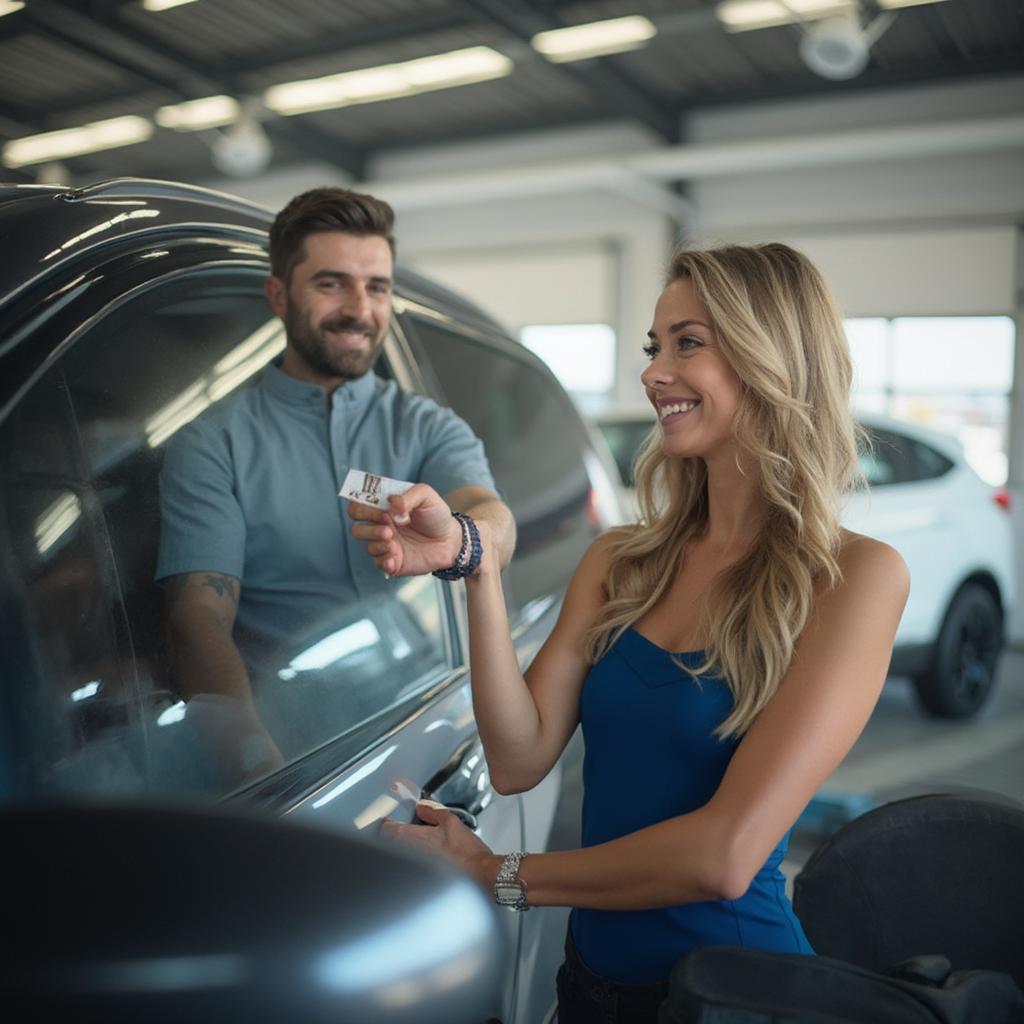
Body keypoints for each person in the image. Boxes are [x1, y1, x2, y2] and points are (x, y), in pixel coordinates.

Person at [353, 242, 910, 1023]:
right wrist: (474, 569)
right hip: (589, 986)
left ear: (771, 357)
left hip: (735, 994)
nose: (652, 373)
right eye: (656, 346)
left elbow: (725, 856)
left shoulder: (855, 577)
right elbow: (518, 758)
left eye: (689, 343)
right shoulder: (622, 559)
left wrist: (501, 875)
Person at [156, 186, 515, 782]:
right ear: (279, 294)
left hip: (432, 720)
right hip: (297, 749)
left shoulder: (426, 426)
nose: (359, 307)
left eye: (376, 287)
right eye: (332, 283)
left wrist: (461, 540)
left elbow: (491, 517)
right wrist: (251, 758)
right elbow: (197, 618)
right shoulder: (214, 442)